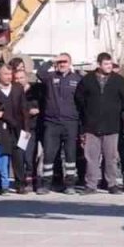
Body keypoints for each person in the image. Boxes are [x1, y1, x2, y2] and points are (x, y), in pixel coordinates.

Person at [75, 53, 124, 194]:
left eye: (110, 64)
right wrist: (88, 113)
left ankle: (112, 184)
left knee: (111, 158)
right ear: (99, 64)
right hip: (91, 125)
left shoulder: (118, 80)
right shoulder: (87, 80)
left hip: (112, 125)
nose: (109, 67)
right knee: (91, 158)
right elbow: (79, 99)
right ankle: (91, 185)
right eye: (106, 64)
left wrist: (116, 111)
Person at [37, 53, 83, 194]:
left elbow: (82, 101)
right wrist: (51, 61)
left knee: (70, 155)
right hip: (52, 123)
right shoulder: (51, 77)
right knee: (49, 154)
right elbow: (40, 73)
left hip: (70, 123)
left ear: (70, 63)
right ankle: (46, 184)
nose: (62, 64)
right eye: (60, 62)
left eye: (65, 61)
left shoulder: (78, 79)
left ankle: (70, 185)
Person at [13, 68, 39, 194]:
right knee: (20, 156)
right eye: (16, 78)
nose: (18, 80)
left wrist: (37, 110)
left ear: (26, 78)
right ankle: (21, 181)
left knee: (29, 156)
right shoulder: (14, 91)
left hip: (32, 128)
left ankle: (31, 181)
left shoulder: (35, 90)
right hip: (19, 128)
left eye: (21, 78)